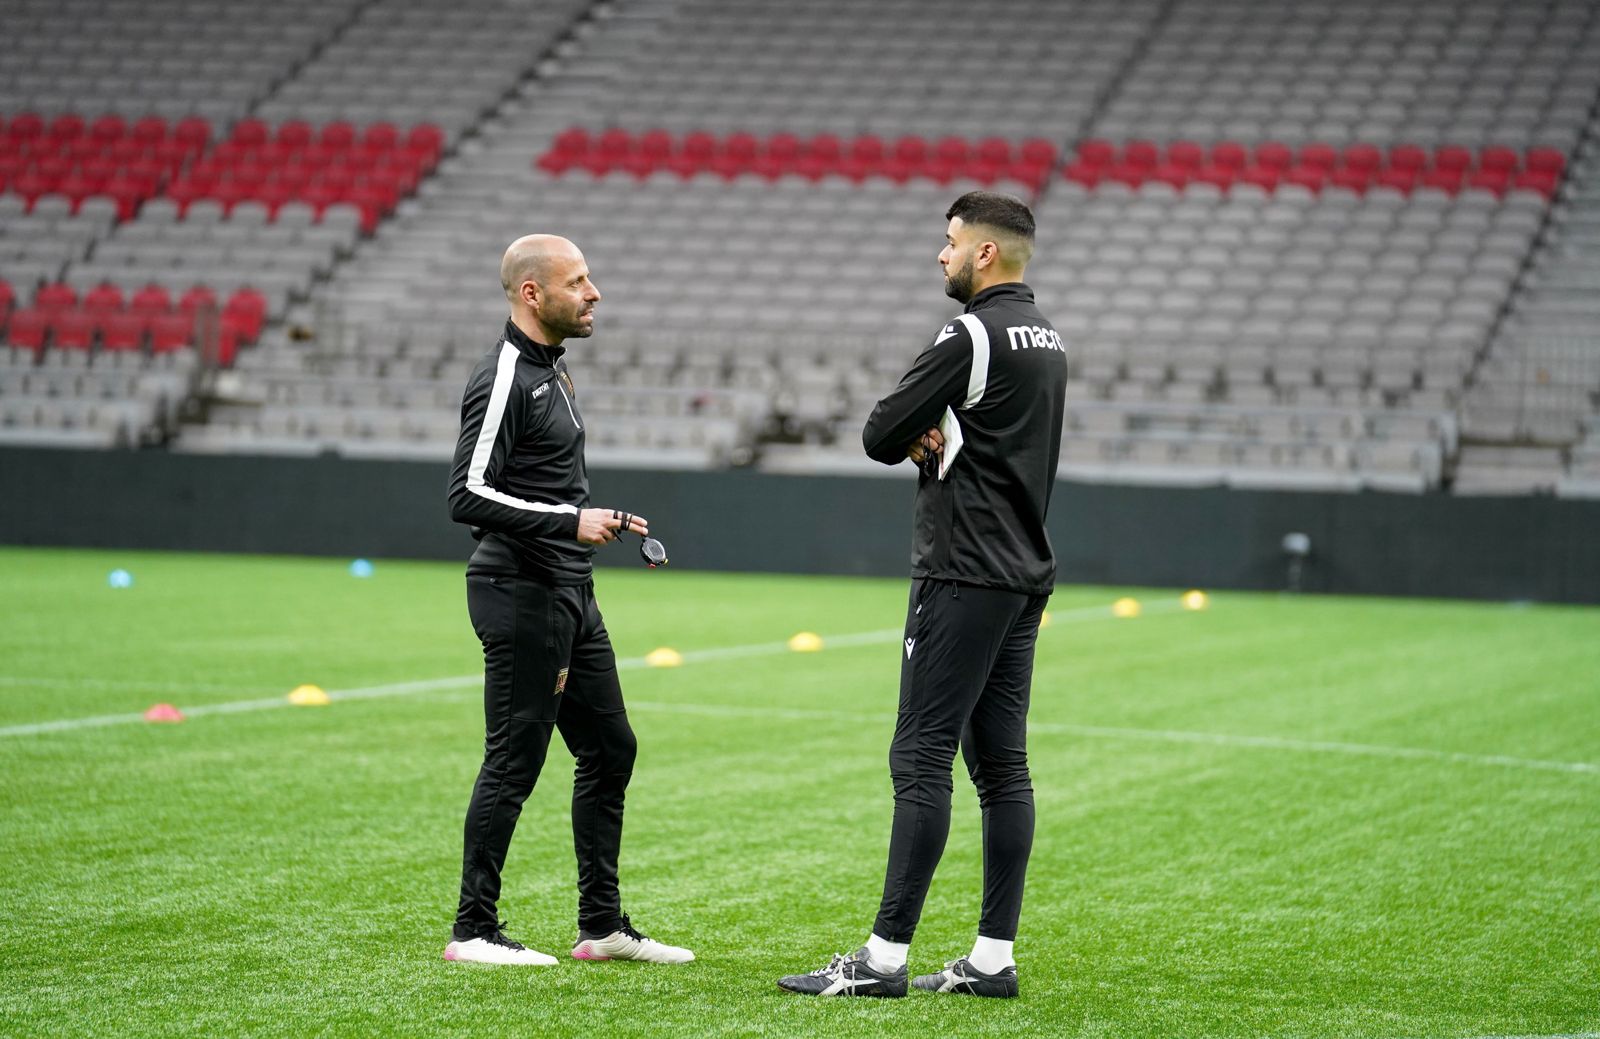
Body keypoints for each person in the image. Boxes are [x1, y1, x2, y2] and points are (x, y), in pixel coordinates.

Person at [778, 192, 1066, 999]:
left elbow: (877, 430)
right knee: (1003, 767)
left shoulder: (968, 333)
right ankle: (992, 958)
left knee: (920, 755)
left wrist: (913, 427)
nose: (939, 256)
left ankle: (883, 959)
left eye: (949, 243)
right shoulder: (1048, 338)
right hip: (1023, 573)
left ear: (983, 254)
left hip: (961, 572)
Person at [442, 234, 693, 967]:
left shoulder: (554, 371)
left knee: (611, 747)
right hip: (519, 592)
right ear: (532, 293)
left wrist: (596, 519)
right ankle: (474, 929)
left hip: (568, 588)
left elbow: (536, 485)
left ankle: (602, 925)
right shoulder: (505, 375)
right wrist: (567, 522)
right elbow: (466, 492)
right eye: (579, 281)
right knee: (514, 760)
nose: (595, 292)